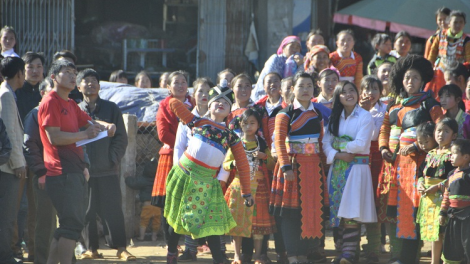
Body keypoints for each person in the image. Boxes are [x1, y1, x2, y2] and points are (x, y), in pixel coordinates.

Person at [164, 84, 254, 264]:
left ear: (230, 110)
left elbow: (243, 166)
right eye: (217, 101)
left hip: (207, 183)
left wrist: (246, 192)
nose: (221, 104)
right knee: (176, 218)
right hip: (184, 175)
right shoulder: (197, 122)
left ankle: (219, 259)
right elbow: (173, 104)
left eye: (225, 103)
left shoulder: (231, 137)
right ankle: (172, 252)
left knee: (211, 222)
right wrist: (175, 96)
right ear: (209, 105)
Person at [38, 60, 116, 264]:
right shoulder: (50, 101)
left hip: (74, 170)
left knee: (67, 226)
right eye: (67, 72)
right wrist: (83, 133)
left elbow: (90, 122)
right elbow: (55, 137)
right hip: (61, 172)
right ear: (54, 77)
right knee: (71, 227)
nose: (73, 76)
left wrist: (106, 125)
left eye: (74, 72)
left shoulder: (71, 104)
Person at [378, 55, 443, 264]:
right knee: (397, 211)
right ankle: (399, 256)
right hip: (397, 167)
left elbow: (441, 130)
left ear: (422, 81)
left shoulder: (430, 104)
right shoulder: (394, 107)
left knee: (415, 212)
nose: (410, 82)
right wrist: (383, 148)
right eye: (407, 78)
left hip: (420, 166)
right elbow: (384, 129)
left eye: (415, 78)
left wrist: (419, 145)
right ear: (402, 81)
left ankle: (408, 258)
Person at [76, 69, 133, 260]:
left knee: (113, 210)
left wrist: (112, 159)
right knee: (87, 211)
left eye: (94, 81)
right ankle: (91, 249)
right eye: (86, 81)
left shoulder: (111, 108)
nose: (90, 84)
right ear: (78, 86)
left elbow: (121, 139)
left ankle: (121, 248)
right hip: (85, 170)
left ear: (100, 86)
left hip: (108, 169)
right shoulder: (75, 110)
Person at [270, 72, 327, 264]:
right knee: (290, 212)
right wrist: (286, 168)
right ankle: (292, 254)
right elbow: (278, 141)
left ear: (314, 89)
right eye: (301, 86)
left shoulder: (317, 113)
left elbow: (320, 140)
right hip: (293, 165)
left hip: (313, 167)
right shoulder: (285, 113)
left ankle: (304, 253)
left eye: (309, 86)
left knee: (311, 209)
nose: (305, 90)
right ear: (293, 89)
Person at [323, 81, 376, 264]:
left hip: (357, 169)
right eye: (344, 92)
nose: (349, 94)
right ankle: (342, 252)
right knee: (338, 212)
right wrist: (337, 154)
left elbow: (361, 143)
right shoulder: (334, 118)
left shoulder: (365, 116)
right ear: (338, 97)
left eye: (352, 90)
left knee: (351, 212)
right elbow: (325, 143)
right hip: (338, 168)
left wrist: (339, 146)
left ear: (358, 93)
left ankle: (348, 254)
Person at [171, 77, 215, 262]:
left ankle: (218, 250)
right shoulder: (186, 119)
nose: (204, 96)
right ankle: (190, 250)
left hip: (212, 172)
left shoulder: (217, 118)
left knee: (212, 211)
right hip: (190, 172)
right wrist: (178, 170)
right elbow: (179, 147)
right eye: (200, 92)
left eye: (208, 92)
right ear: (193, 95)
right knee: (191, 210)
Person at [224, 109, 275, 264]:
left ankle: (258, 256)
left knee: (258, 224)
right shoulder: (236, 143)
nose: (249, 126)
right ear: (241, 124)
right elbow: (226, 164)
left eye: (252, 123)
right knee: (238, 223)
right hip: (239, 187)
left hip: (259, 187)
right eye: (245, 123)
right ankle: (237, 257)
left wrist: (265, 157)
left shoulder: (262, 143)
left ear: (258, 125)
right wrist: (234, 163)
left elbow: (273, 165)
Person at [11, 51, 45, 261]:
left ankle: (34, 250)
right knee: (15, 206)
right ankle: (14, 248)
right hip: (17, 157)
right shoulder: (15, 93)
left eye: (38, 66)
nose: (34, 71)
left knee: (37, 207)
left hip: (40, 158)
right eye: (30, 67)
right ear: (22, 71)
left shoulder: (46, 95)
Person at [23, 77, 56, 264]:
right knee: (43, 220)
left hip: (61, 173)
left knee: (60, 221)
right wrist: (40, 172)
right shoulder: (35, 115)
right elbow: (29, 146)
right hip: (43, 174)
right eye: (53, 90)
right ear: (43, 93)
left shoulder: (60, 112)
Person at [416, 118, 457, 264]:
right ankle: (434, 261)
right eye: (439, 131)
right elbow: (421, 172)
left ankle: (446, 261)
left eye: (446, 131)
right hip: (429, 198)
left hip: (445, 198)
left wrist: (439, 186)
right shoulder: (430, 153)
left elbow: (455, 176)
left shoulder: (453, 154)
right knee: (434, 233)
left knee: (443, 231)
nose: (441, 134)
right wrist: (420, 184)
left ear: (454, 136)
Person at [358, 75, 388, 262]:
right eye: (367, 89)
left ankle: (374, 246)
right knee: (362, 201)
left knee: (376, 201)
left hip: (378, 159)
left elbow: (376, 134)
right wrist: (363, 112)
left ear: (381, 91)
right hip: (360, 157)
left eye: (375, 89)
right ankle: (355, 246)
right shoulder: (355, 110)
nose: (371, 93)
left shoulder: (385, 109)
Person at [0, 56, 26, 264]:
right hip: (8, 168)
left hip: (7, 166)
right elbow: (10, 133)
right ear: (19, 73)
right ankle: (5, 256)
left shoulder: (7, 93)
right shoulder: (6, 95)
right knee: (7, 217)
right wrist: (18, 163)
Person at [439, 138, 470, 264]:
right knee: (452, 245)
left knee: (467, 246)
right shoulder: (451, 174)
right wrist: (442, 212)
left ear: (466, 156)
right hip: (453, 216)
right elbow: (447, 194)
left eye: (454, 154)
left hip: (467, 218)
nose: (450, 157)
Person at [427, 10, 470, 100]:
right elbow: (433, 53)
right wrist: (429, 66)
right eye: (455, 22)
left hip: (456, 73)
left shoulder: (466, 40)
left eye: (461, 22)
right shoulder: (440, 35)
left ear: (464, 24)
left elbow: (468, 60)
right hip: (441, 69)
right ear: (449, 23)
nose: (458, 25)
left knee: (454, 94)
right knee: (439, 93)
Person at [252, 36, 302, 102]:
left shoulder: (300, 62)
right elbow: (271, 81)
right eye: (292, 46)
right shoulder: (275, 59)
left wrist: (301, 65)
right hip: (264, 97)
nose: (295, 49)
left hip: (287, 99)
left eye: (297, 47)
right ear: (283, 48)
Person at [125, 158, 160, 242]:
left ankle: (141, 237)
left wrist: (127, 178)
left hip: (147, 205)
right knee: (156, 222)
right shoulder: (158, 181)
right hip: (157, 206)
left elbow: (133, 183)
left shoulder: (143, 180)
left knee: (144, 221)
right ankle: (154, 237)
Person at [255, 72, 283, 147]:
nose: (272, 84)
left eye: (276, 81)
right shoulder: (258, 107)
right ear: (264, 87)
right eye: (269, 82)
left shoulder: (287, 105)